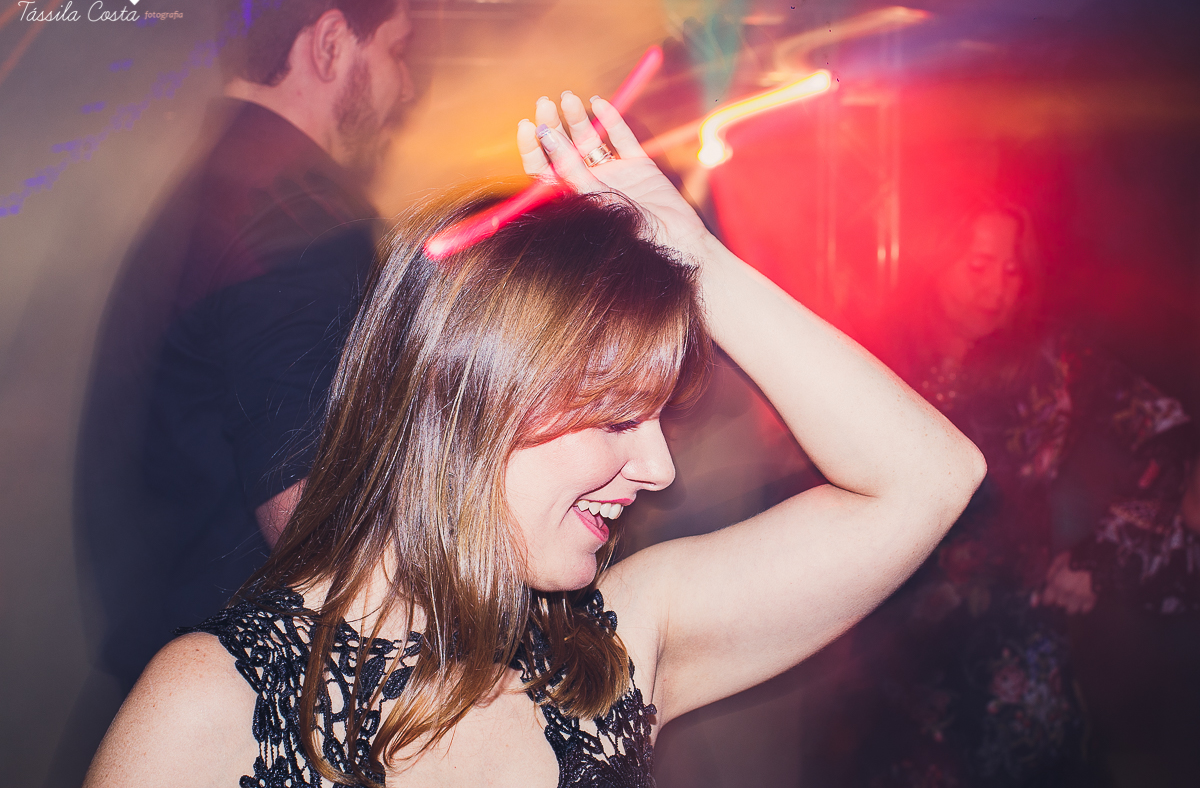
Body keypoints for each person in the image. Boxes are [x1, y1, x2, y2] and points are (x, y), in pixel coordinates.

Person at [82, 93, 985, 787]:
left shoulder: (621, 648)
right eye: (617, 417)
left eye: (661, 418)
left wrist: (696, 257)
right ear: (467, 397)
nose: (660, 467)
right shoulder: (207, 709)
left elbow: (931, 477)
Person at [75, 0, 415, 694]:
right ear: (328, 45)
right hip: (239, 699)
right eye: (395, 51)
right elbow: (321, 533)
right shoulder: (299, 216)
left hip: (171, 669)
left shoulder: (218, 175)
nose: (405, 88)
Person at [842, 202, 1200, 787]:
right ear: (936, 261)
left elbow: (1168, 429)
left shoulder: (1054, 359)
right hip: (896, 622)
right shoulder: (875, 351)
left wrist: (1104, 550)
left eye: (1011, 269)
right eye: (979, 264)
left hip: (1016, 624)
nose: (996, 287)